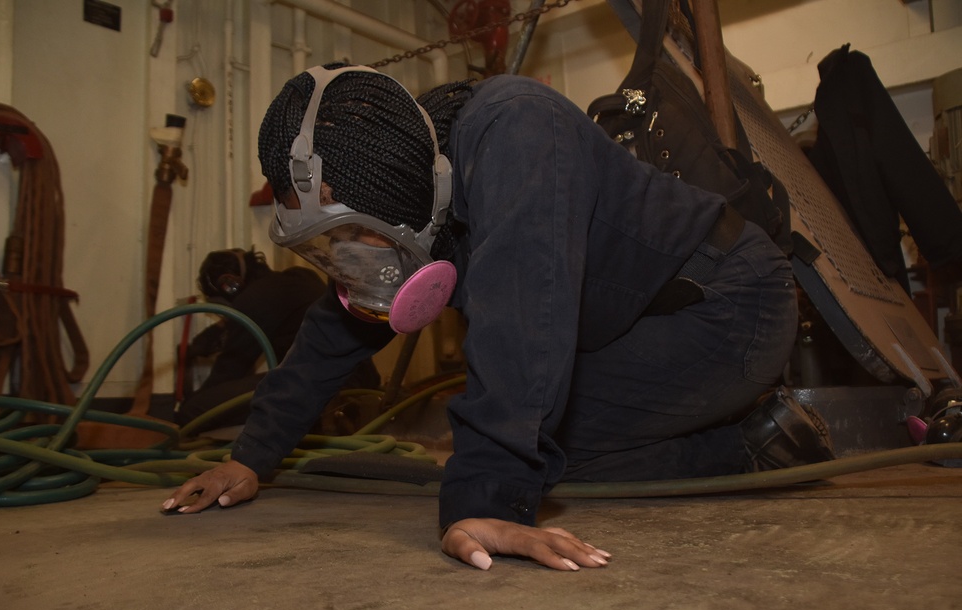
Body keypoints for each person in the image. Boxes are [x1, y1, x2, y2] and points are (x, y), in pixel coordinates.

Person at [162, 64, 835, 571]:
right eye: (322, 248)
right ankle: (713, 420)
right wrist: (250, 455)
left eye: (349, 238)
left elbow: (524, 316)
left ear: (392, 196)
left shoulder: (519, 132)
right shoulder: (409, 176)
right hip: (629, 320)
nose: (344, 263)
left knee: (540, 448)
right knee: (526, 432)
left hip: (726, 304)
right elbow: (337, 323)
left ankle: (754, 443)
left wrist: (486, 499)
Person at [177, 247, 379, 430]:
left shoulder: (252, 302)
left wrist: (185, 409)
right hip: (359, 381)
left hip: (320, 389)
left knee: (194, 411)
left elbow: (228, 371)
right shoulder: (300, 277)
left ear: (230, 285)